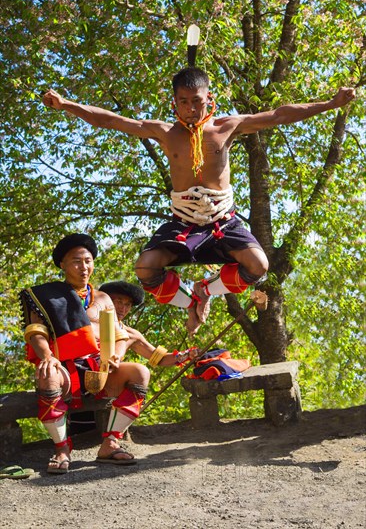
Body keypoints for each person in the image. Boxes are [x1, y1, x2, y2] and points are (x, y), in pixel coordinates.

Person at [42, 71, 355, 335]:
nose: (190, 108)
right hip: (183, 222)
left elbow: (279, 115)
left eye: (196, 101)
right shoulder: (165, 132)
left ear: (209, 99)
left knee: (259, 265)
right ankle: (190, 300)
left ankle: (206, 290)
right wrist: (68, 104)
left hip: (223, 220)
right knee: (145, 268)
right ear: (174, 103)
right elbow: (112, 120)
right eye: (183, 102)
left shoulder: (226, 127)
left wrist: (330, 103)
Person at [19, 234, 197, 474]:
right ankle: (62, 449)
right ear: (62, 264)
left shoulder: (103, 299)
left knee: (140, 372)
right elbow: (35, 332)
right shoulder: (45, 296)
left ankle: (110, 442)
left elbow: (120, 336)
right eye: (76, 261)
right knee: (48, 376)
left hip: (100, 369)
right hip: (64, 368)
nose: (84, 267)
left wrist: (114, 355)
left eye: (88, 260)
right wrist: (47, 355)